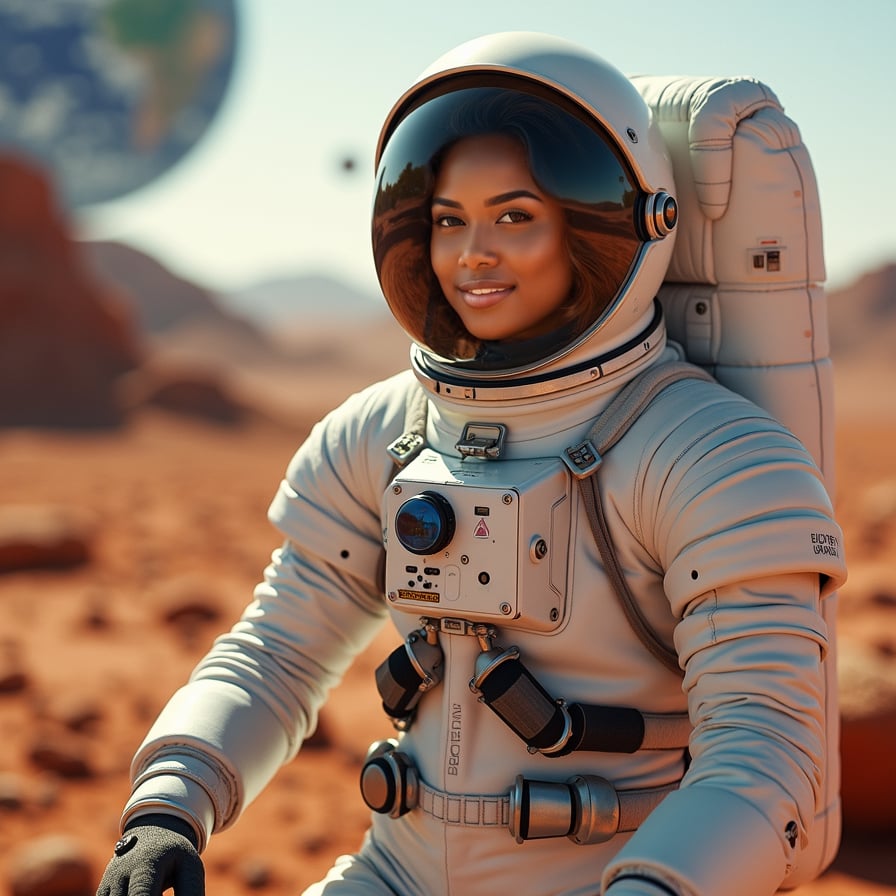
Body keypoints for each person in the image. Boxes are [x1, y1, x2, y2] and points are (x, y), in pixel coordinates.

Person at [96, 31, 847, 896]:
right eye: (448, 219)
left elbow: (764, 749)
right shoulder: (384, 431)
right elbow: (277, 651)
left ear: (607, 228)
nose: (472, 253)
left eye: (514, 217)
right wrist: (169, 805)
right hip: (395, 871)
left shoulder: (706, 455)